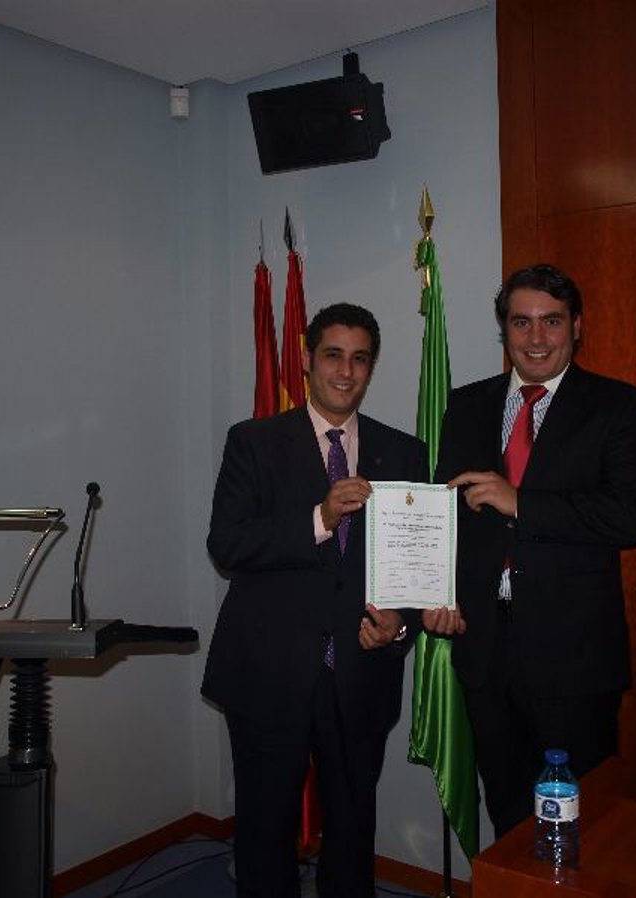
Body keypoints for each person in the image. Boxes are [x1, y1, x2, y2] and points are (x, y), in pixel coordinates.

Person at [423, 263, 636, 838]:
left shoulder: (616, 406)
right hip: (484, 647)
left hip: (573, 656)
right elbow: (446, 516)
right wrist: (434, 593)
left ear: (577, 326)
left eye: (551, 321)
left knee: (582, 823)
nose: (535, 337)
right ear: (503, 329)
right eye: (520, 322)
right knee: (507, 813)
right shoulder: (467, 405)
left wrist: (520, 502)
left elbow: (631, 517)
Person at [202, 303, 426, 898]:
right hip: (268, 674)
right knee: (264, 835)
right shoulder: (253, 442)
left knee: (352, 835)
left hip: (360, 675)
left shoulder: (404, 452)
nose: (346, 372)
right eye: (333, 355)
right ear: (306, 360)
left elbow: (413, 573)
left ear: (371, 367)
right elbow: (227, 544)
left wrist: (399, 626)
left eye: (360, 359)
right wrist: (320, 518)